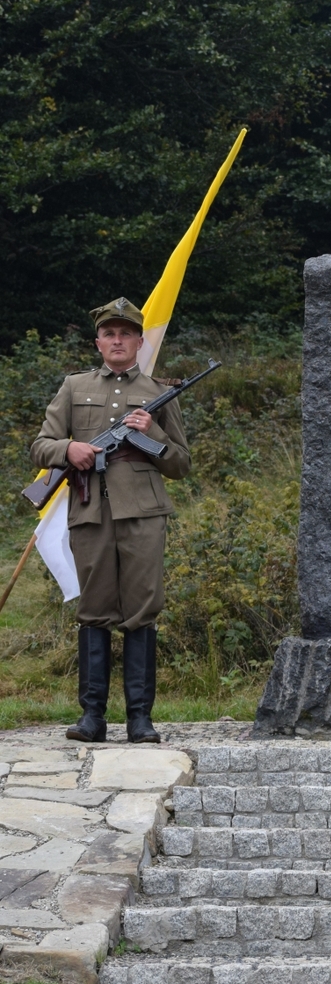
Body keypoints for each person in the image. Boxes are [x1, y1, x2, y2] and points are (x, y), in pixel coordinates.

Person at [31, 298, 191, 743]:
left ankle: (140, 719)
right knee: (94, 611)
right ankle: (92, 718)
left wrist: (151, 433)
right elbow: (41, 444)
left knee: (141, 611)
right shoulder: (73, 386)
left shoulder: (158, 393)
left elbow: (180, 464)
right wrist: (69, 450)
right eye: (110, 334)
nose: (118, 340)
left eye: (126, 333)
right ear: (98, 342)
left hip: (143, 516)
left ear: (140, 342)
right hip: (90, 512)